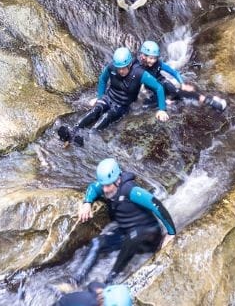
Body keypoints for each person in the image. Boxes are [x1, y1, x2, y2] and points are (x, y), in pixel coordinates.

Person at [70, 158, 176, 286]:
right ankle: (75, 281)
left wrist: (171, 232)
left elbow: (156, 205)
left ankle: (109, 282)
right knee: (97, 242)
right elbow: (93, 187)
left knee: (133, 236)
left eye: (108, 185)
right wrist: (87, 203)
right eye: (103, 185)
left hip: (148, 234)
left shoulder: (131, 191)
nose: (105, 190)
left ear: (118, 180)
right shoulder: (106, 185)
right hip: (126, 231)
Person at [58, 47, 168, 146]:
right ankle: (73, 130)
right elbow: (102, 79)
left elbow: (159, 87)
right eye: (118, 68)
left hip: (122, 105)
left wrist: (162, 109)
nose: (121, 71)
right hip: (109, 97)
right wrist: (100, 97)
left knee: (107, 116)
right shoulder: (111, 67)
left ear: (129, 64)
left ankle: (87, 137)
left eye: (124, 68)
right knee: (96, 110)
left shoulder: (140, 73)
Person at [137, 41, 226, 112]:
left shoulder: (158, 64)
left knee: (178, 92)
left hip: (163, 83)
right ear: (143, 56)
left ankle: (209, 100)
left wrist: (182, 84)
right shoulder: (139, 68)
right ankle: (170, 101)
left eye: (155, 58)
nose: (153, 61)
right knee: (146, 105)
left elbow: (174, 72)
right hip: (151, 90)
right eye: (151, 58)